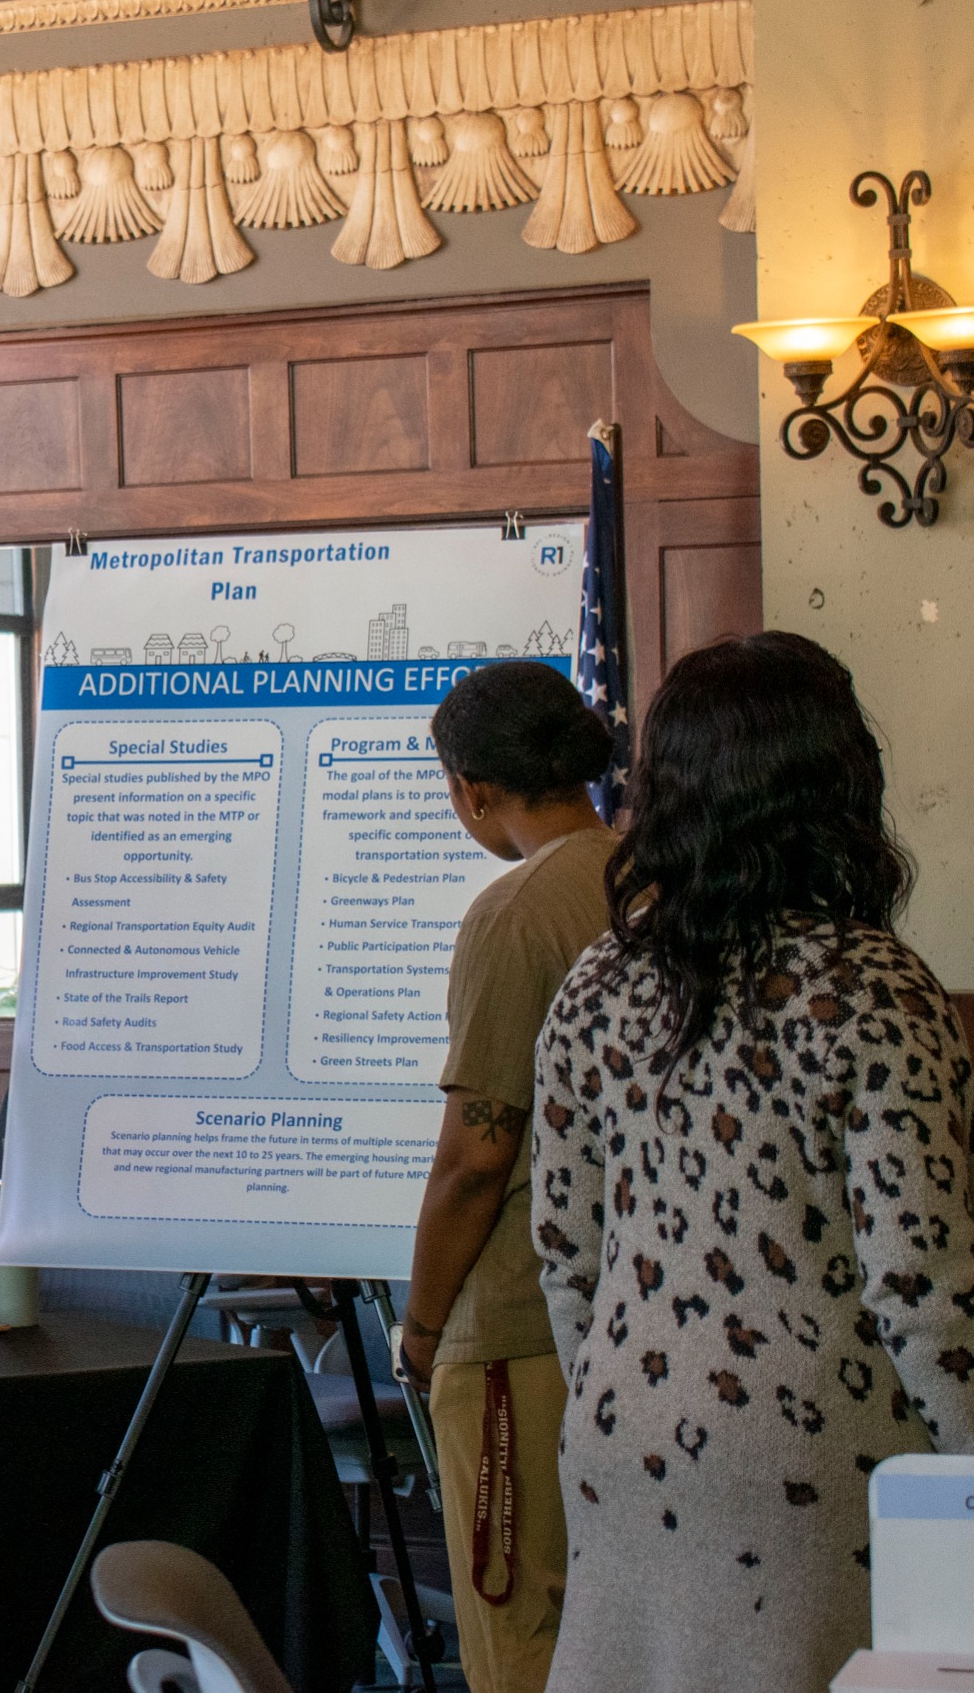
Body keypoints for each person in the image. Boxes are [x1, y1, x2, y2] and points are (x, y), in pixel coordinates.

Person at [531, 632, 974, 1693]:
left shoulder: (594, 985)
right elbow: (923, 1283)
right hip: (816, 1460)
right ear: (837, 782)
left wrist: (624, 1395)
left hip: (620, 1437)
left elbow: (565, 1254)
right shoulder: (871, 987)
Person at [396, 660, 618, 1693]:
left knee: (519, 1630)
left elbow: (476, 1155)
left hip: (518, 1321)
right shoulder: (656, 877)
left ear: (474, 788)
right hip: (641, 1312)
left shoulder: (514, 910)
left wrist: (425, 1323)